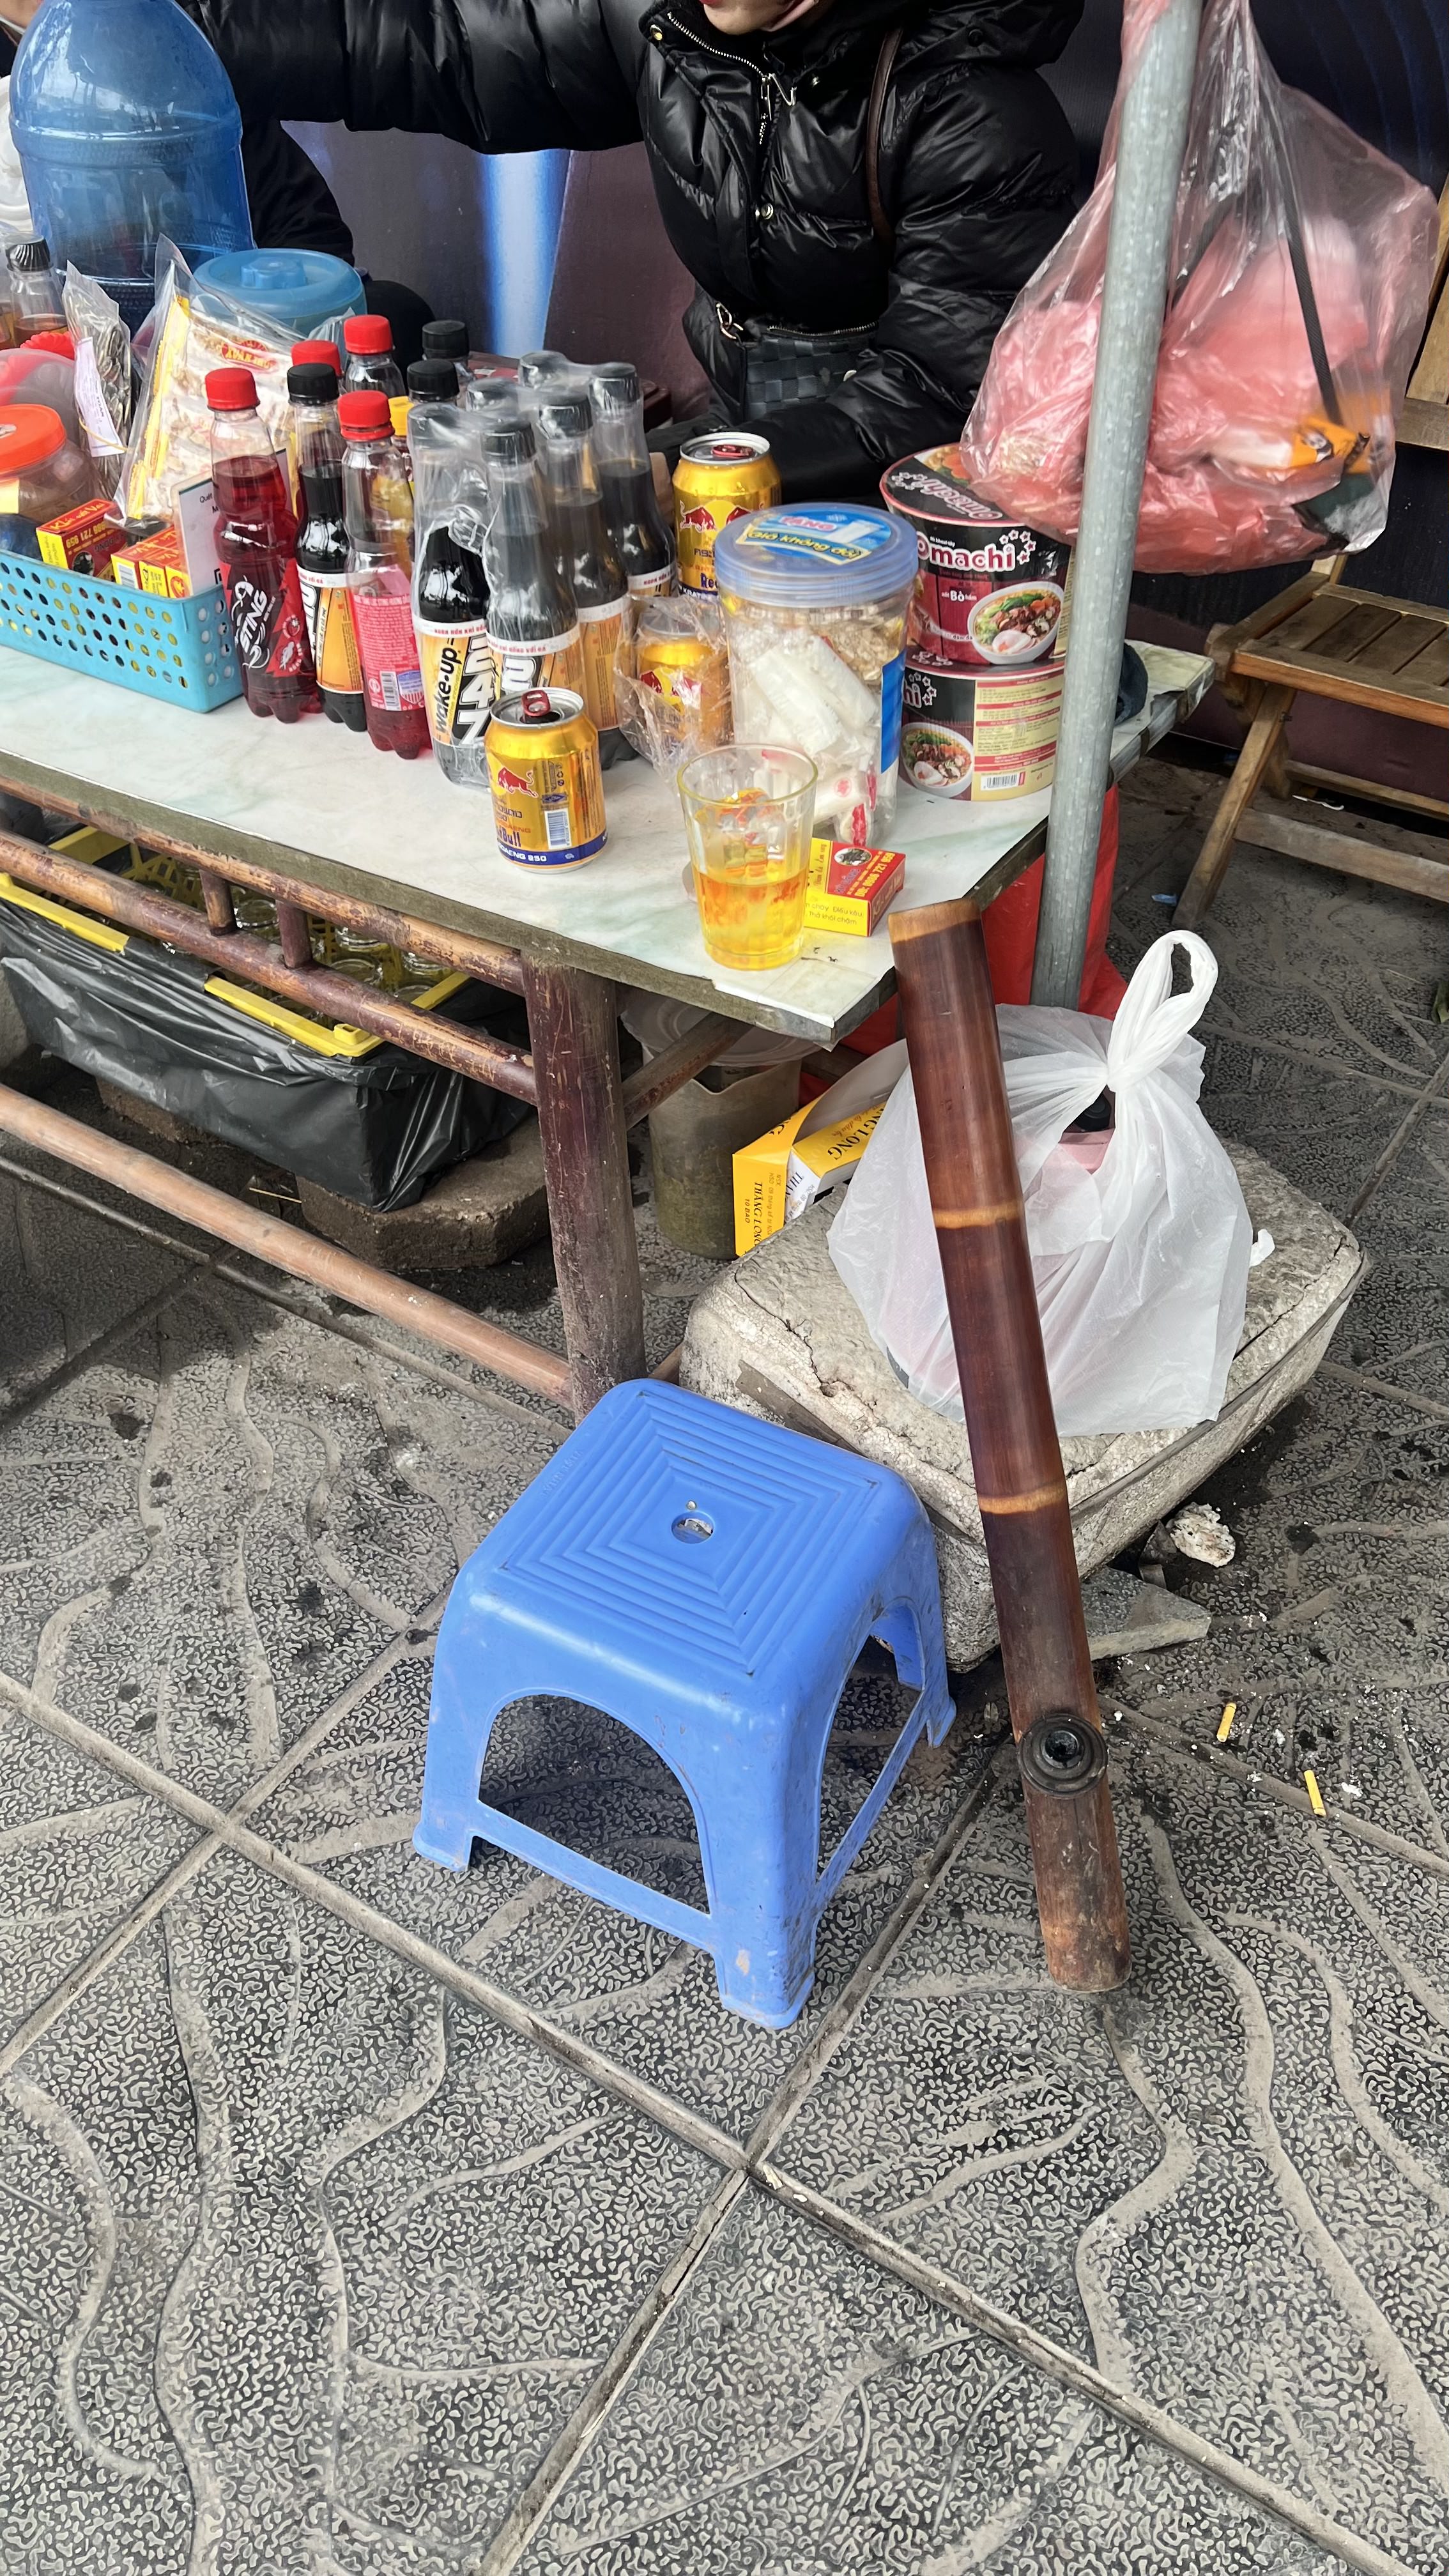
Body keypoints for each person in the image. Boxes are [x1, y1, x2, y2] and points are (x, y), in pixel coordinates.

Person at [177, 0, 1083, 498]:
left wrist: (677, 470)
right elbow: (436, 47)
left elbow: (936, 392)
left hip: (922, 500)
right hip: (738, 444)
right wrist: (175, 25)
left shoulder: (973, 106)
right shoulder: (668, 26)